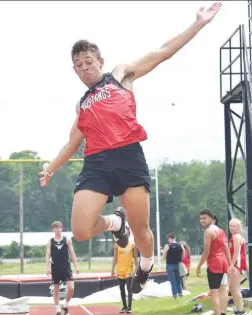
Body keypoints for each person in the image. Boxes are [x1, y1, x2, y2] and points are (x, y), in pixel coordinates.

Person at [39, 2, 222, 294]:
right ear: (74, 71)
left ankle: (146, 264)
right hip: (96, 163)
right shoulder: (81, 104)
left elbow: (162, 52)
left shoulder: (121, 75)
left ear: (100, 60)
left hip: (128, 157)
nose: (85, 70)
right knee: (82, 231)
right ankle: (115, 223)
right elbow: (72, 142)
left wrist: (198, 24)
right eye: (79, 67)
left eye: (89, 62)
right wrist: (50, 168)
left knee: (143, 233)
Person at [196, 209, 234, 315]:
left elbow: (206, 251)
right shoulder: (221, 230)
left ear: (211, 219)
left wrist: (198, 266)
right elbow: (226, 248)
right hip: (223, 262)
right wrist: (230, 263)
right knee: (223, 290)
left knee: (214, 292)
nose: (202, 220)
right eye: (201, 218)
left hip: (214, 263)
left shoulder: (208, 232)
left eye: (204, 218)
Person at [45, 221, 80, 315]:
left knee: (71, 287)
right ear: (53, 230)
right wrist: (47, 267)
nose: (57, 230)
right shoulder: (50, 242)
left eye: (59, 227)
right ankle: (57, 310)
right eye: (55, 228)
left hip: (66, 267)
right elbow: (48, 255)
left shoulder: (67, 240)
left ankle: (65, 305)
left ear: (62, 228)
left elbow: (72, 253)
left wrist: (76, 266)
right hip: (55, 267)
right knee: (56, 289)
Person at [111, 225, 139, 313]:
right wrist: (112, 269)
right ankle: (124, 306)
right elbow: (115, 258)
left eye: (126, 231)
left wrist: (136, 270)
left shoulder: (132, 245)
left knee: (129, 288)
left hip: (129, 270)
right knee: (121, 289)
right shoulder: (117, 245)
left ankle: (129, 307)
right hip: (120, 270)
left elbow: (135, 258)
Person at [228, 218, 247, 315]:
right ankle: (238, 309)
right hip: (236, 264)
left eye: (233, 226)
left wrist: (231, 265)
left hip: (237, 265)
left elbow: (236, 253)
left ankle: (241, 310)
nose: (231, 227)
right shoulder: (235, 236)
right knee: (232, 288)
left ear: (238, 227)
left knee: (235, 289)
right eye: (230, 225)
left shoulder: (236, 237)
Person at [162, 232, 184, 299]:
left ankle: (174, 296)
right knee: (178, 281)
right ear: (175, 238)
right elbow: (182, 256)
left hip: (170, 265)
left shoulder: (167, 246)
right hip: (177, 264)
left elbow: (164, 258)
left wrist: (164, 253)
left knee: (173, 282)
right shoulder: (181, 245)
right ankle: (180, 294)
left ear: (169, 238)